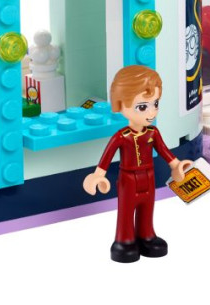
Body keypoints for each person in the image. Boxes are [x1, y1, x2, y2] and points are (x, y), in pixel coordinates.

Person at [83, 66, 193, 262]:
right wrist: (98, 176)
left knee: (147, 207)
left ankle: (146, 235)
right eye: (142, 107)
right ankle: (124, 241)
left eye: (155, 103)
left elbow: (165, 152)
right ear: (120, 105)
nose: (152, 112)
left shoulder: (153, 133)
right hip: (128, 179)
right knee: (126, 211)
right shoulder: (121, 136)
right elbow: (106, 159)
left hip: (149, 176)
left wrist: (177, 165)